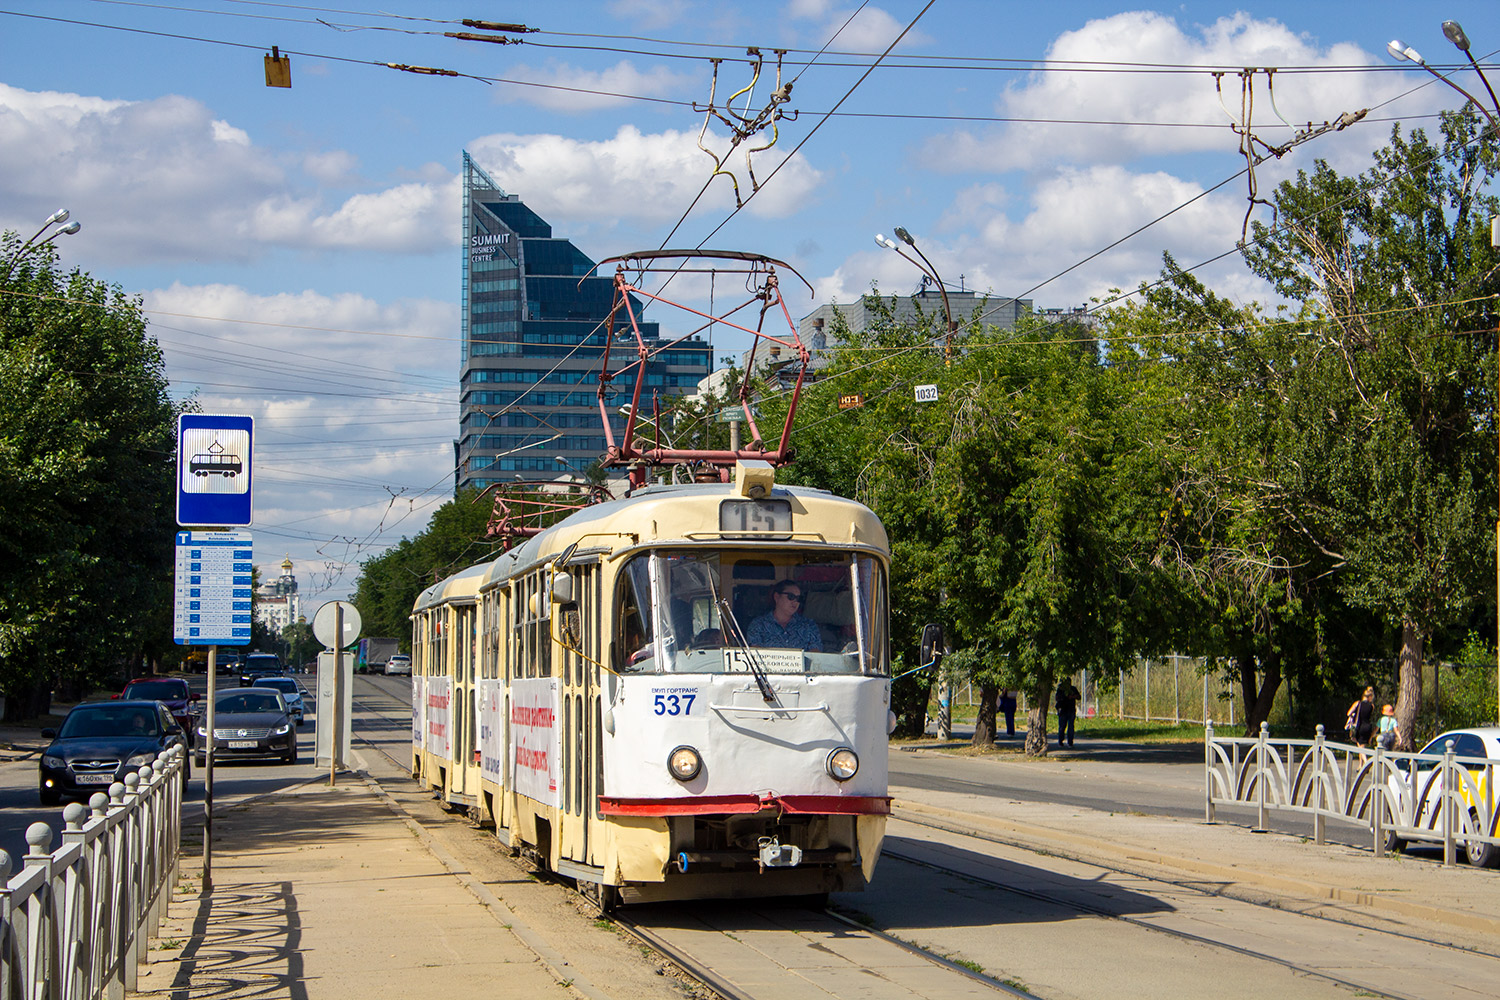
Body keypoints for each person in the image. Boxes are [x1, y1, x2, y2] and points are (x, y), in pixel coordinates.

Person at [744, 579, 823, 652]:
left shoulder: (809, 625)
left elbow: (815, 656)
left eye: (799, 598)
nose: (795, 601)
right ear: (777, 597)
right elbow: (756, 656)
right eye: (791, 597)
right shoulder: (758, 625)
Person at [1054, 677, 1080, 748]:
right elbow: (1057, 698)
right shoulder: (1061, 689)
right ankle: (1060, 741)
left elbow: (1079, 697)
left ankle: (1070, 742)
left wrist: (1073, 696)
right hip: (1063, 710)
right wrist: (1064, 697)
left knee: (1071, 726)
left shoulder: (1073, 689)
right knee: (1062, 726)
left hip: (1071, 710)